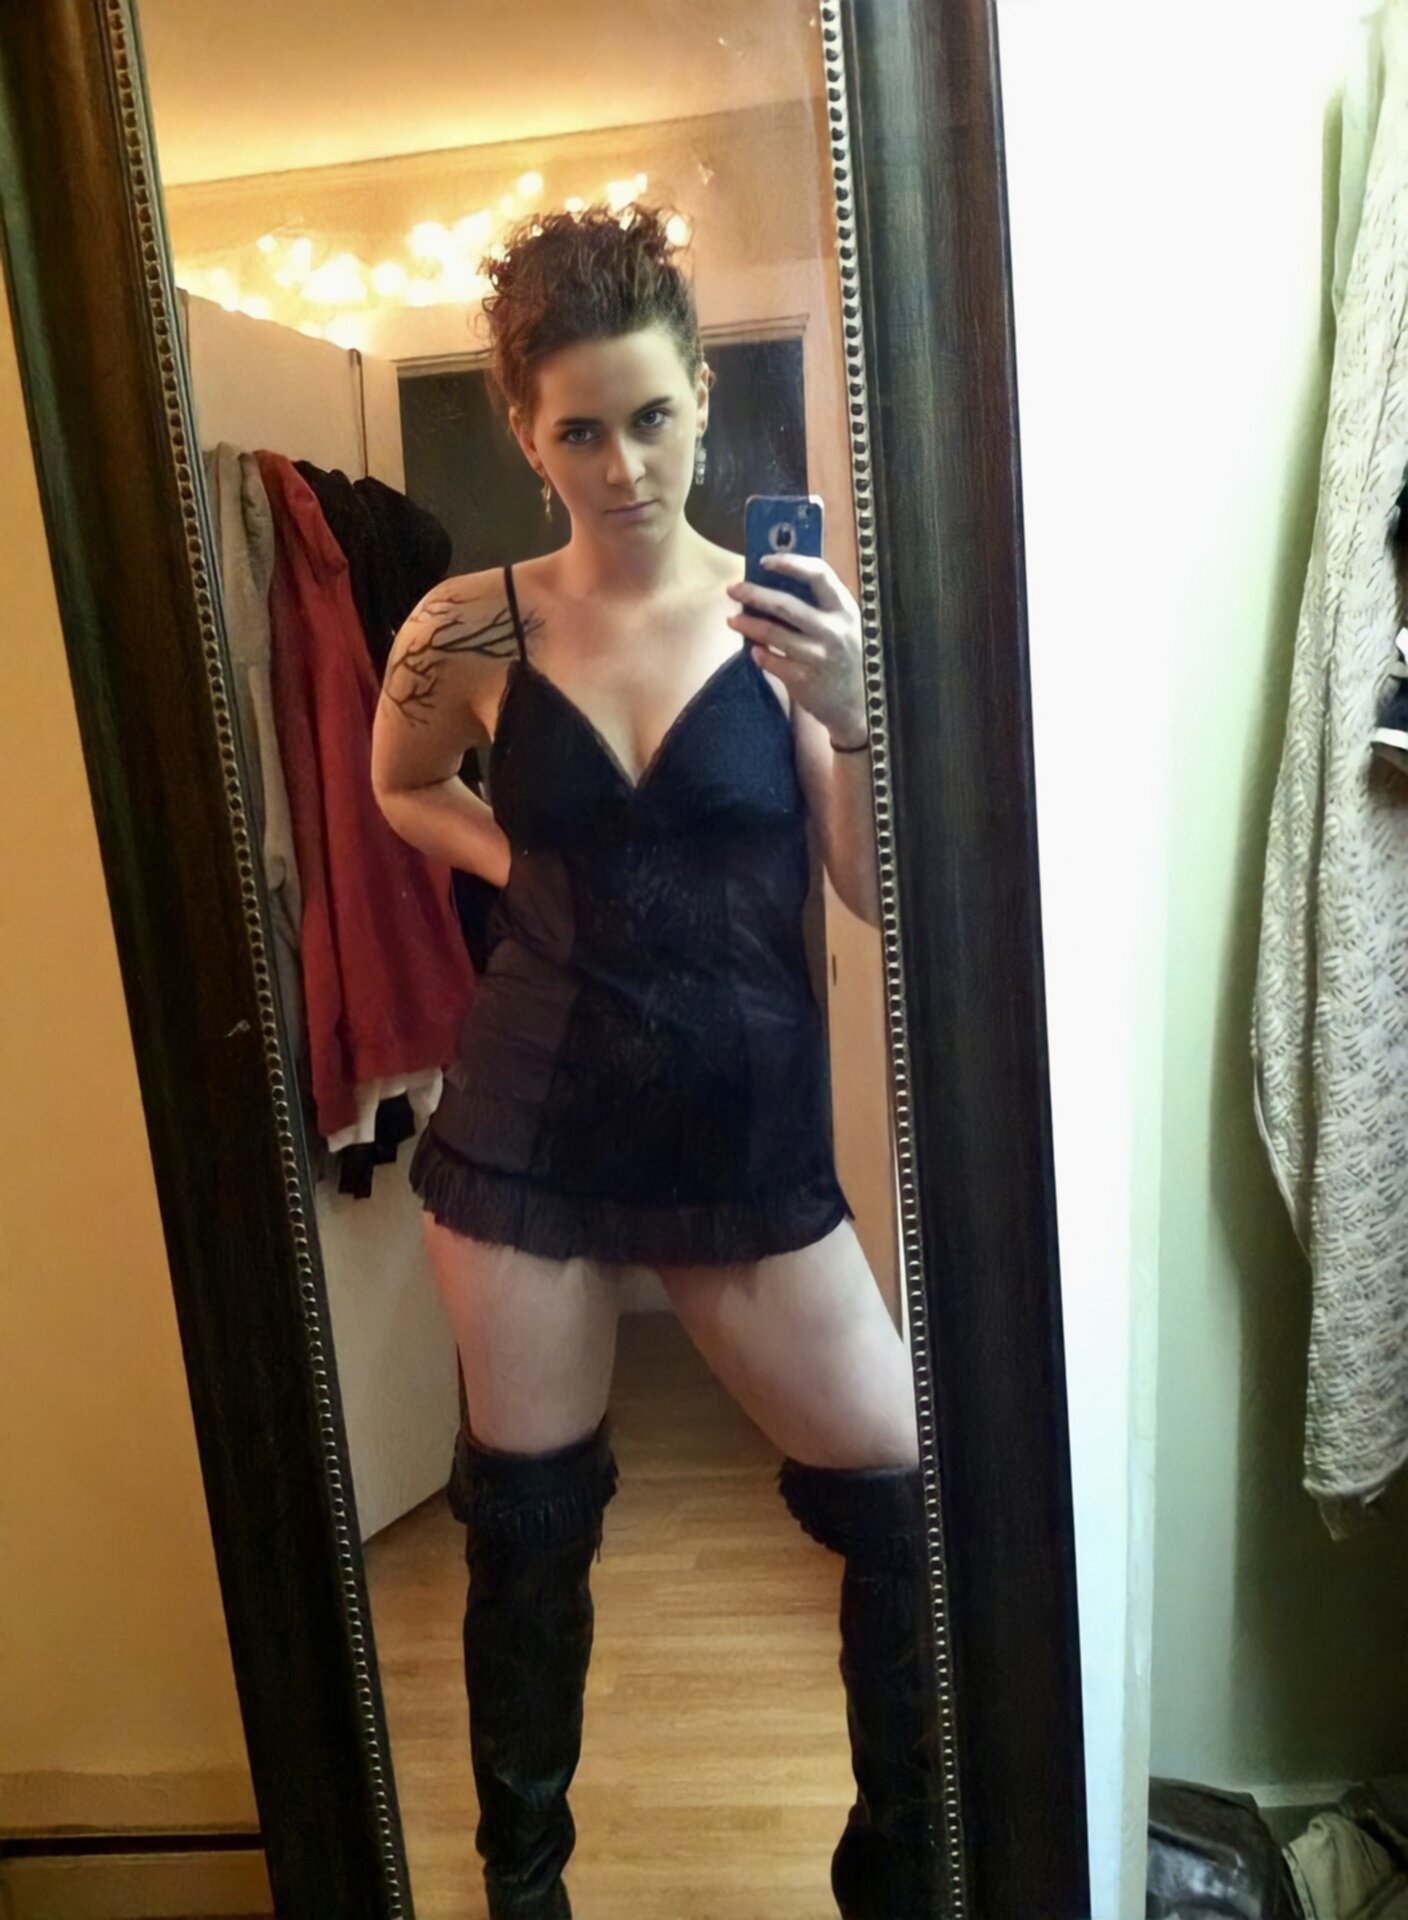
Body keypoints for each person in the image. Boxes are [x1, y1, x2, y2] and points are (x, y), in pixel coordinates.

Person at [371, 201, 939, 1920]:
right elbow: (401, 786)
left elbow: (865, 889)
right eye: (580, 430)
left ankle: (896, 1876)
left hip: (742, 1131)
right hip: (527, 1125)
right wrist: (527, 868)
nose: (623, 465)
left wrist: (849, 711)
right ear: (523, 432)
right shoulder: (467, 627)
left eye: (653, 416)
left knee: (904, 1501)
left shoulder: (789, 620)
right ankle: (525, 1891)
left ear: (704, 396)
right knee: (527, 1534)